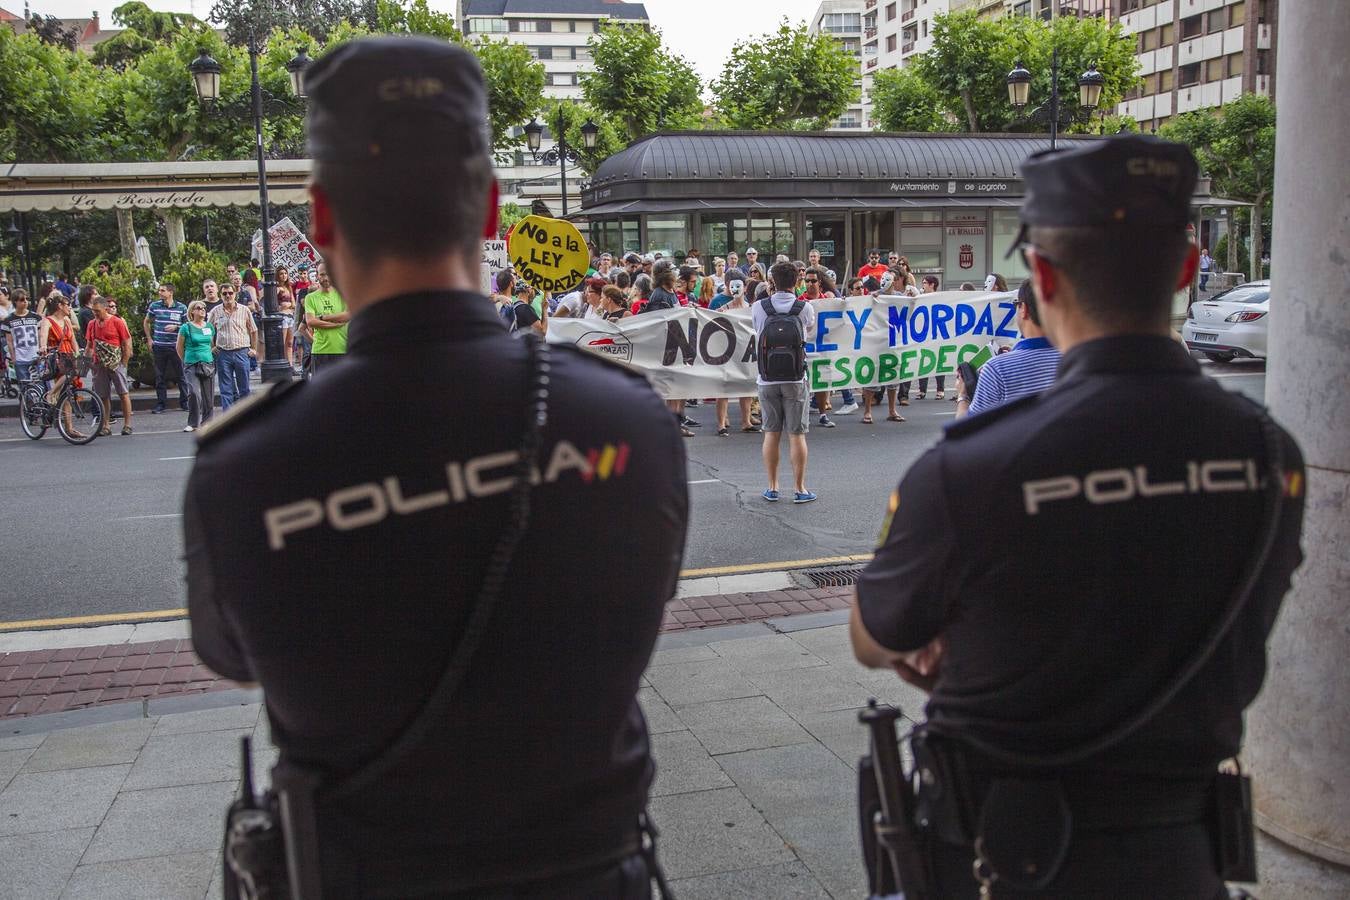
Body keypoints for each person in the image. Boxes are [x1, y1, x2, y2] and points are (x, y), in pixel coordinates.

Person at [184, 36, 689, 899]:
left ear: (324, 222)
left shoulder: (243, 468)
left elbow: (234, 654)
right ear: (490, 209)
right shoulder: (626, 419)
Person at [849, 134, 1306, 899]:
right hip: (1181, 858)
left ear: (1044, 275)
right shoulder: (1269, 451)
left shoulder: (974, 465)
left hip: (1004, 858)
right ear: (1188, 272)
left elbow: (874, 637)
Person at [754, 261, 816, 503]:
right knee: (797, 434)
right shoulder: (804, 307)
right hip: (795, 378)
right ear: (797, 281)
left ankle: (772, 487)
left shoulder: (759, 307)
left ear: (772, 281)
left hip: (766, 379)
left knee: (771, 433)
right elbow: (808, 332)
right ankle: (800, 489)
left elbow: (757, 330)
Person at [955, 279, 1061, 419]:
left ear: (1024, 309)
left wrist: (963, 396)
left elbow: (966, 431)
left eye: (1016, 304)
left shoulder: (997, 369)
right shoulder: (1077, 359)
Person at [86, 295, 134, 435]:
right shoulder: (92, 324)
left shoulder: (117, 322)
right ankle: (106, 425)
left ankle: (127, 424)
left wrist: (123, 363)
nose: (95, 314)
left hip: (116, 363)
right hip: (99, 364)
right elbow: (89, 345)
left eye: (98, 311)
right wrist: (87, 362)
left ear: (105, 309)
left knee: (123, 393)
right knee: (103, 395)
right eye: (93, 311)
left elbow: (126, 342)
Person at [208, 279, 258, 410]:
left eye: (230, 293)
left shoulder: (244, 310)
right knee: (226, 389)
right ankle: (229, 419)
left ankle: (246, 416)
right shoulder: (215, 311)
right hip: (223, 353)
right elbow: (207, 330)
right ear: (220, 295)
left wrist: (254, 349)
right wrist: (212, 346)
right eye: (224, 294)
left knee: (244, 388)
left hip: (242, 352)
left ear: (235, 294)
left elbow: (253, 330)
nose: (228, 296)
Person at [144, 283, 189, 414]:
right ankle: (161, 404)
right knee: (159, 376)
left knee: (181, 375)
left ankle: (185, 402)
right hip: (159, 346)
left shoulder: (181, 307)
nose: (160, 292)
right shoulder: (155, 306)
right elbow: (146, 321)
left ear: (170, 292)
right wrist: (149, 338)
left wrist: (176, 327)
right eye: (159, 290)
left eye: (162, 290)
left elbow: (187, 325)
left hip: (176, 346)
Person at [177, 300, 216, 432]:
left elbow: (211, 344)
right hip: (191, 363)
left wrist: (210, 354)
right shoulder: (186, 327)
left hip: (207, 363)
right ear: (192, 311)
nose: (202, 310)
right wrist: (185, 360)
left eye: (204, 308)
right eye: (199, 308)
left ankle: (207, 421)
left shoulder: (209, 327)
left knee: (208, 395)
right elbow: (179, 347)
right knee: (193, 392)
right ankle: (193, 423)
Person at [303, 263, 350, 375]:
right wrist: (335, 324)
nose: (326, 278)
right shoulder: (310, 297)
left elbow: (348, 315)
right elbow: (310, 322)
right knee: (321, 391)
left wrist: (322, 318)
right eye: (322, 275)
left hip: (342, 348)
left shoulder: (343, 294)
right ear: (317, 276)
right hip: (320, 351)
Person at [2, 289, 41, 383]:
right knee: (25, 386)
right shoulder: (8, 320)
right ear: (15, 301)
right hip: (20, 357)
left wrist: (42, 352)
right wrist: (13, 357)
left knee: (40, 385)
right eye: (22, 300)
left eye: (26, 299)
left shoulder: (35, 317)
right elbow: (9, 341)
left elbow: (40, 337)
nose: (25, 302)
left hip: (35, 356)